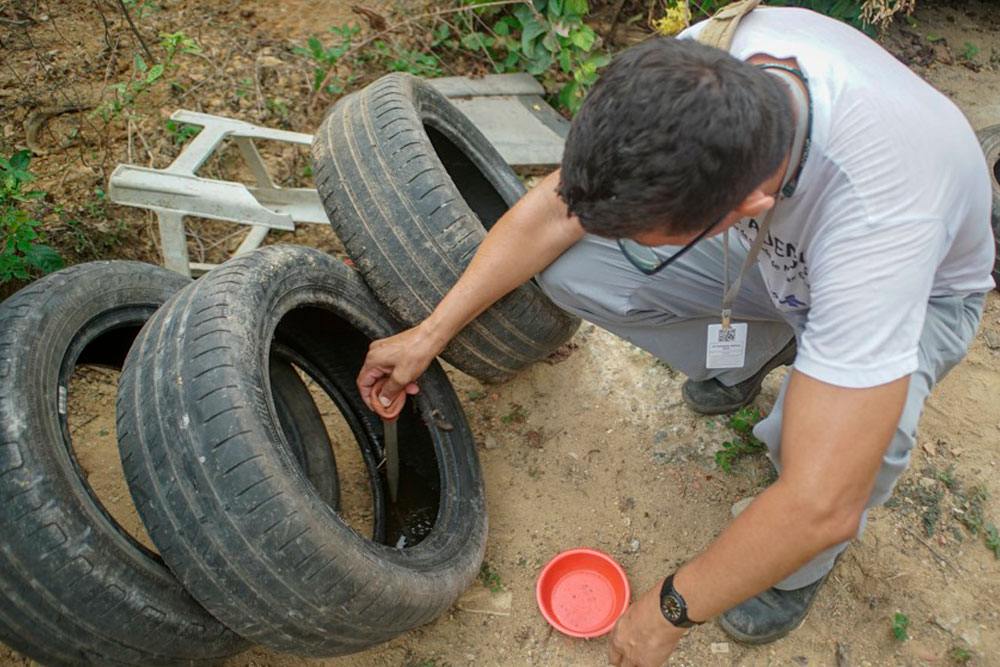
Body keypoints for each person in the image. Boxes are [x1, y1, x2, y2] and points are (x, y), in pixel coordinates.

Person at [357, 6, 995, 666]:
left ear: (746, 206)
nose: (632, 241)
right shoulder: (702, 69)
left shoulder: (879, 227)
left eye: (649, 235)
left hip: (918, 295)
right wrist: (428, 333)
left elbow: (822, 501)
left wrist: (671, 608)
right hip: (780, 259)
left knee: (841, 453)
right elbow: (556, 211)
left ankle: (793, 574)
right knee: (577, 267)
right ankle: (761, 350)